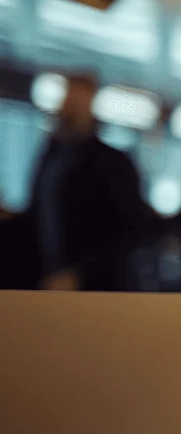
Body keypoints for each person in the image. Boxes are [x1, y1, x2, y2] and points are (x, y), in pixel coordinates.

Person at [28, 72, 151, 292]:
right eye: (68, 99)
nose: (70, 107)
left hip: (95, 287)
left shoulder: (111, 163)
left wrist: (81, 273)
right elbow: (39, 215)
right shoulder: (52, 157)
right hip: (46, 278)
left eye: (78, 101)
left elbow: (128, 229)